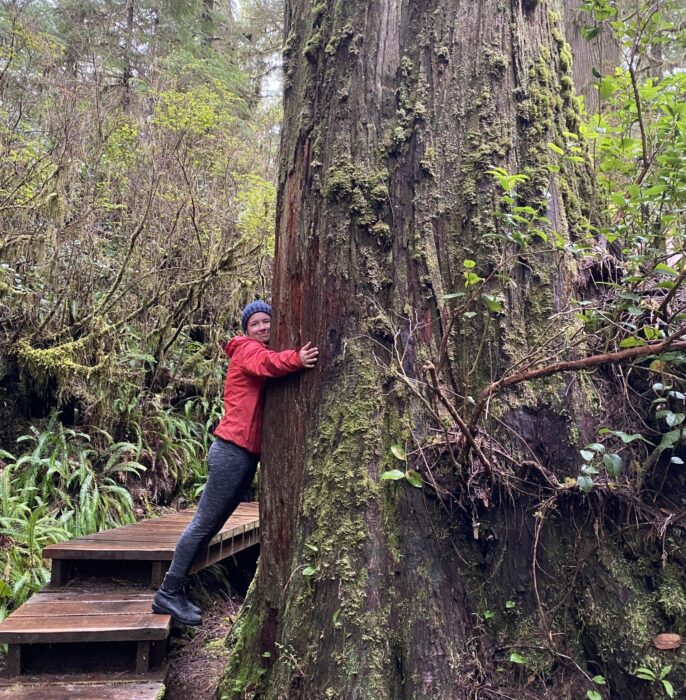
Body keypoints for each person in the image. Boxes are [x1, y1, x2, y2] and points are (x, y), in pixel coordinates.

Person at [152, 300, 318, 625]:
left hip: (242, 454)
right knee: (203, 523)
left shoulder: (254, 349)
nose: (262, 328)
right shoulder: (246, 349)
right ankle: (168, 593)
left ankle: (174, 591)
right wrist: (296, 358)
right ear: (246, 330)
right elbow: (266, 364)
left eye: (267, 321)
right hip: (231, 450)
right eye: (255, 323)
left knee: (211, 526)